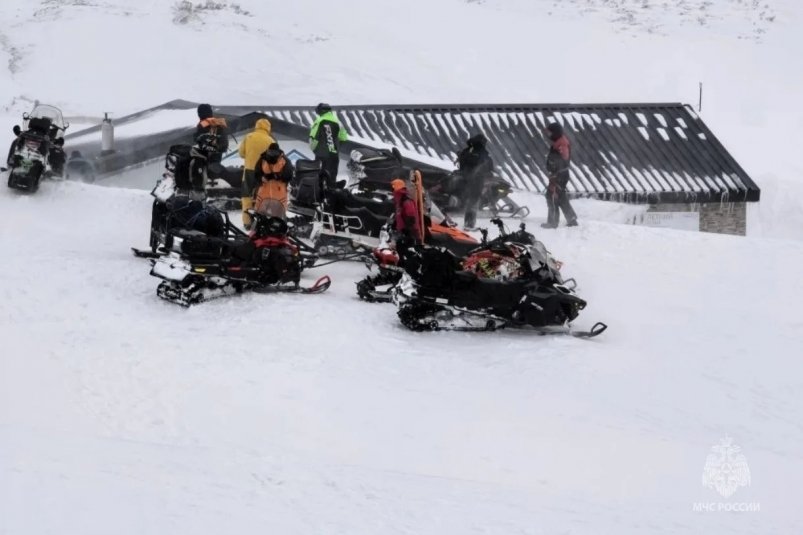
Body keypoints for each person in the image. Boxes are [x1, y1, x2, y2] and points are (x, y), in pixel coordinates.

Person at [237, 118, 275, 227]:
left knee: (247, 197)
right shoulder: (271, 140)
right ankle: (260, 222)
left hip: (249, 171)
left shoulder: (248, 137)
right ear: (268, 128)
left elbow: (241, 153)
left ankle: (247, 222)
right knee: (262, 198)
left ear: (257, 126)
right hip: (263, 172)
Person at [541, 122, 578, 228]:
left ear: (555, 132)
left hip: (559, 174)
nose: (548, 135)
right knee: (560, 196)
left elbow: (564, 158)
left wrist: (554, 171)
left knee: (552, 196)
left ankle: (552, 222)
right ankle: (571, 219)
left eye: (550, 133)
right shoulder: (558, 141)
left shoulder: (562, 143)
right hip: (559, 173)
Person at [456, 133, 494, 230]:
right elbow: (489, 166)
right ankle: (470, 224)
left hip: (465, 180)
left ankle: (467, 222)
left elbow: (461, 163)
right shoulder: (482, 153)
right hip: (477, 181)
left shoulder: (468, 150)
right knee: (473, 202)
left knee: (469, 201)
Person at [308, 103, 348, 187]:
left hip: (321, 155)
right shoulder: (338, 122)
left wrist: (314, 149)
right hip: (333, 155)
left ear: (320, 111)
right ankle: (332, 191)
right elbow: (344, 138)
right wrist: (336, 147)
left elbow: (313, 138)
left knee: (319, 178)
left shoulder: (319, 121)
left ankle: (320, 193)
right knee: (331, 178)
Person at [252, 146, 292, 221]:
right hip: (263, 195)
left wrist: (277, 176)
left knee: (278, 218)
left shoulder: (285, 161)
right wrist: (261, 178)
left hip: (279, 195)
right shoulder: (262, 159)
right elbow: (256, 173)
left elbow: (289, 175)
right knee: (259, 217)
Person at [391, 178, 422, 250]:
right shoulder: (400, 201)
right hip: (403, 232)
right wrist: (395, 224)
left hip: (411, 234)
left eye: (393, 188)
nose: (391, 190)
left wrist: (408, 231)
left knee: (409, 251)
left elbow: (411, 217)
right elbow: (399, 216)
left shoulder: (407, 201)